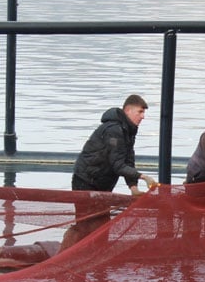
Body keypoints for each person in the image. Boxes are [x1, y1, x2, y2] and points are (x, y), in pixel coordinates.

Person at [62, 94, 157, 249]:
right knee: (85, 225)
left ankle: (94, 258)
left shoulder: (128, 131)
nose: (143, 117)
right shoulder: (114, 130)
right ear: (128, 110)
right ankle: (73, 256)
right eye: (140, 112)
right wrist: (142, 176)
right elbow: (118, 165)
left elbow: (128, 159)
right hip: (86, 182)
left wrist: (133, 187)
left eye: (143, 113)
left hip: (103, 185)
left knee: (101, 226)